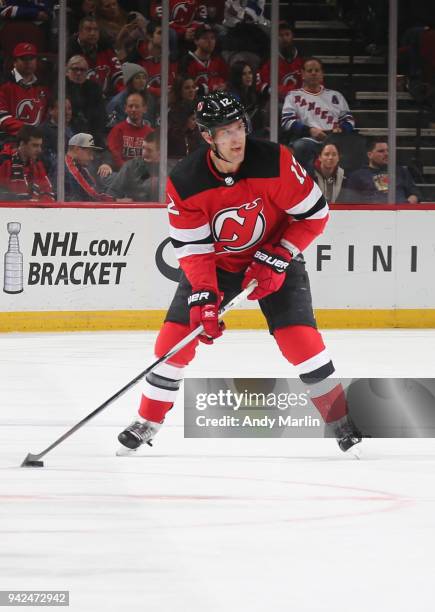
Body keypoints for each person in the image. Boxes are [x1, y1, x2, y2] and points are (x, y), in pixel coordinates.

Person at [117, 91, 363, 454]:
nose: (236, 138)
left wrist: (278, 255)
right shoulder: (186, 181)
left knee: (300, 341)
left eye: (239, 126)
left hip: (275, 253)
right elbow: (192, 249)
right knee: (172, 343)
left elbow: (315, 215)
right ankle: (147, 421)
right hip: (216, 266)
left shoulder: (275, 161)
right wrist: (204, 295)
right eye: (225, 131)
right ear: (206, 137)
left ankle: (342, 421)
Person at [281, 57, 355, 175]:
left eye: (317, 70)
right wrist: (310, 130)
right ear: (303, 74)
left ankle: (346, 182)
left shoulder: (335, 96)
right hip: (306, 138)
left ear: (322, 74)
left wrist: (341, 129)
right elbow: (287, 122)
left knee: (353, 146)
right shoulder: (293, 96)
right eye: (310, 71)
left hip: (334, 138)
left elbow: (349, 120)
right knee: (301, 146)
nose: (313, 73)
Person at [345, 139, 422, 204]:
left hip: (400, 215)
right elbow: (350, 202)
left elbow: (415, 194)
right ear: (369, 155)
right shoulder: (357, 176)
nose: (386, 154)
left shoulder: (401, 171)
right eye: (381, 151)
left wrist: (405, 205)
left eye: (387, 150)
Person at [0, 42, 50, 138]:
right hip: (8, 140)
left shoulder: (43, 87)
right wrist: (29, 133)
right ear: (14, 62)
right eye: (23, 59)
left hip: (37, 141)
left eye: (31, 58)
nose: (28, 62)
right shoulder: (3, 84)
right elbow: (2, 117)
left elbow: (46, 118)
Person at [67, 15, 123, 97]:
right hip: (80, 98)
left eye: (95, 30)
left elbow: (118, 75)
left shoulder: (106, 47)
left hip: (107, 98)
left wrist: (122, 95)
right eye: (88, 29)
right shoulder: (69, 51)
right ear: (79, 32)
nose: (92, 33)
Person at [0, 125, 54, 201]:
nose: (39, 150)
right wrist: (21, 200)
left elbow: (47, 191)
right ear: (22, 144)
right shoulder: (4, 162)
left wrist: (39, 204)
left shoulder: (37, 164)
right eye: (35, 145)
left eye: (40, 145)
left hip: (34, 210)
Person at [65, 55, 108, 148]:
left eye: (82, 70)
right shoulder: (61, 86)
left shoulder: (95, 88)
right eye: (75, 69)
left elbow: (101, 116)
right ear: (67, 71)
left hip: (91, 133)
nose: (79, 72)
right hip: (67, 134)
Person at [106, 129, 160, 201]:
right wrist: (118, 200)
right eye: (143, 148)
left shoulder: (168, 170)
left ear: (160, 152)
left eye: (149, 150)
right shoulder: (130, 166)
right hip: (134, 210)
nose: (144, 153)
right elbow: (111, 193)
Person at [258, 21, 303, 101]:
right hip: (275, 103)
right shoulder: (268, 59)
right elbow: (261, 84)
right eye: (280, 35)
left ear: (292, 36)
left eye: (287, 34)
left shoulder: (303, 58)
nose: (284, 38)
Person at [106, 92, 154, 169]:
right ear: (125, 108)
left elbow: (153, 159)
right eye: (130, 106)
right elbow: (114, 155)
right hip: (123, 174)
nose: (133, 109)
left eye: (137, 106)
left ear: (144, 109)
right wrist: (128, 170)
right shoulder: (117, 130)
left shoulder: (151, 133)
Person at [179, 24, 229, 95]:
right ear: (196, 41)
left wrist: (225, 85)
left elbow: (227, 80)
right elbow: (185, 88)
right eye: (205, 38)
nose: (210, 41)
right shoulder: (187, 61)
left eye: (212, 38)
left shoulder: (218, 59)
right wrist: (208, 89)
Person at [64, 132, 113, 201]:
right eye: (89, 153)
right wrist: (116, 200)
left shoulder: (78, 165)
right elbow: (92, 194)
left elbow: (94, 188)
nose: (91, 158)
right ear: (77, 149)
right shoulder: (67, 166)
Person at [227, 61, 267, 136]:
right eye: (244, 74)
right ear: (237, 76)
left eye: (250, 73)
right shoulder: (232, 96)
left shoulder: (253, 94)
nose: (248, 76)